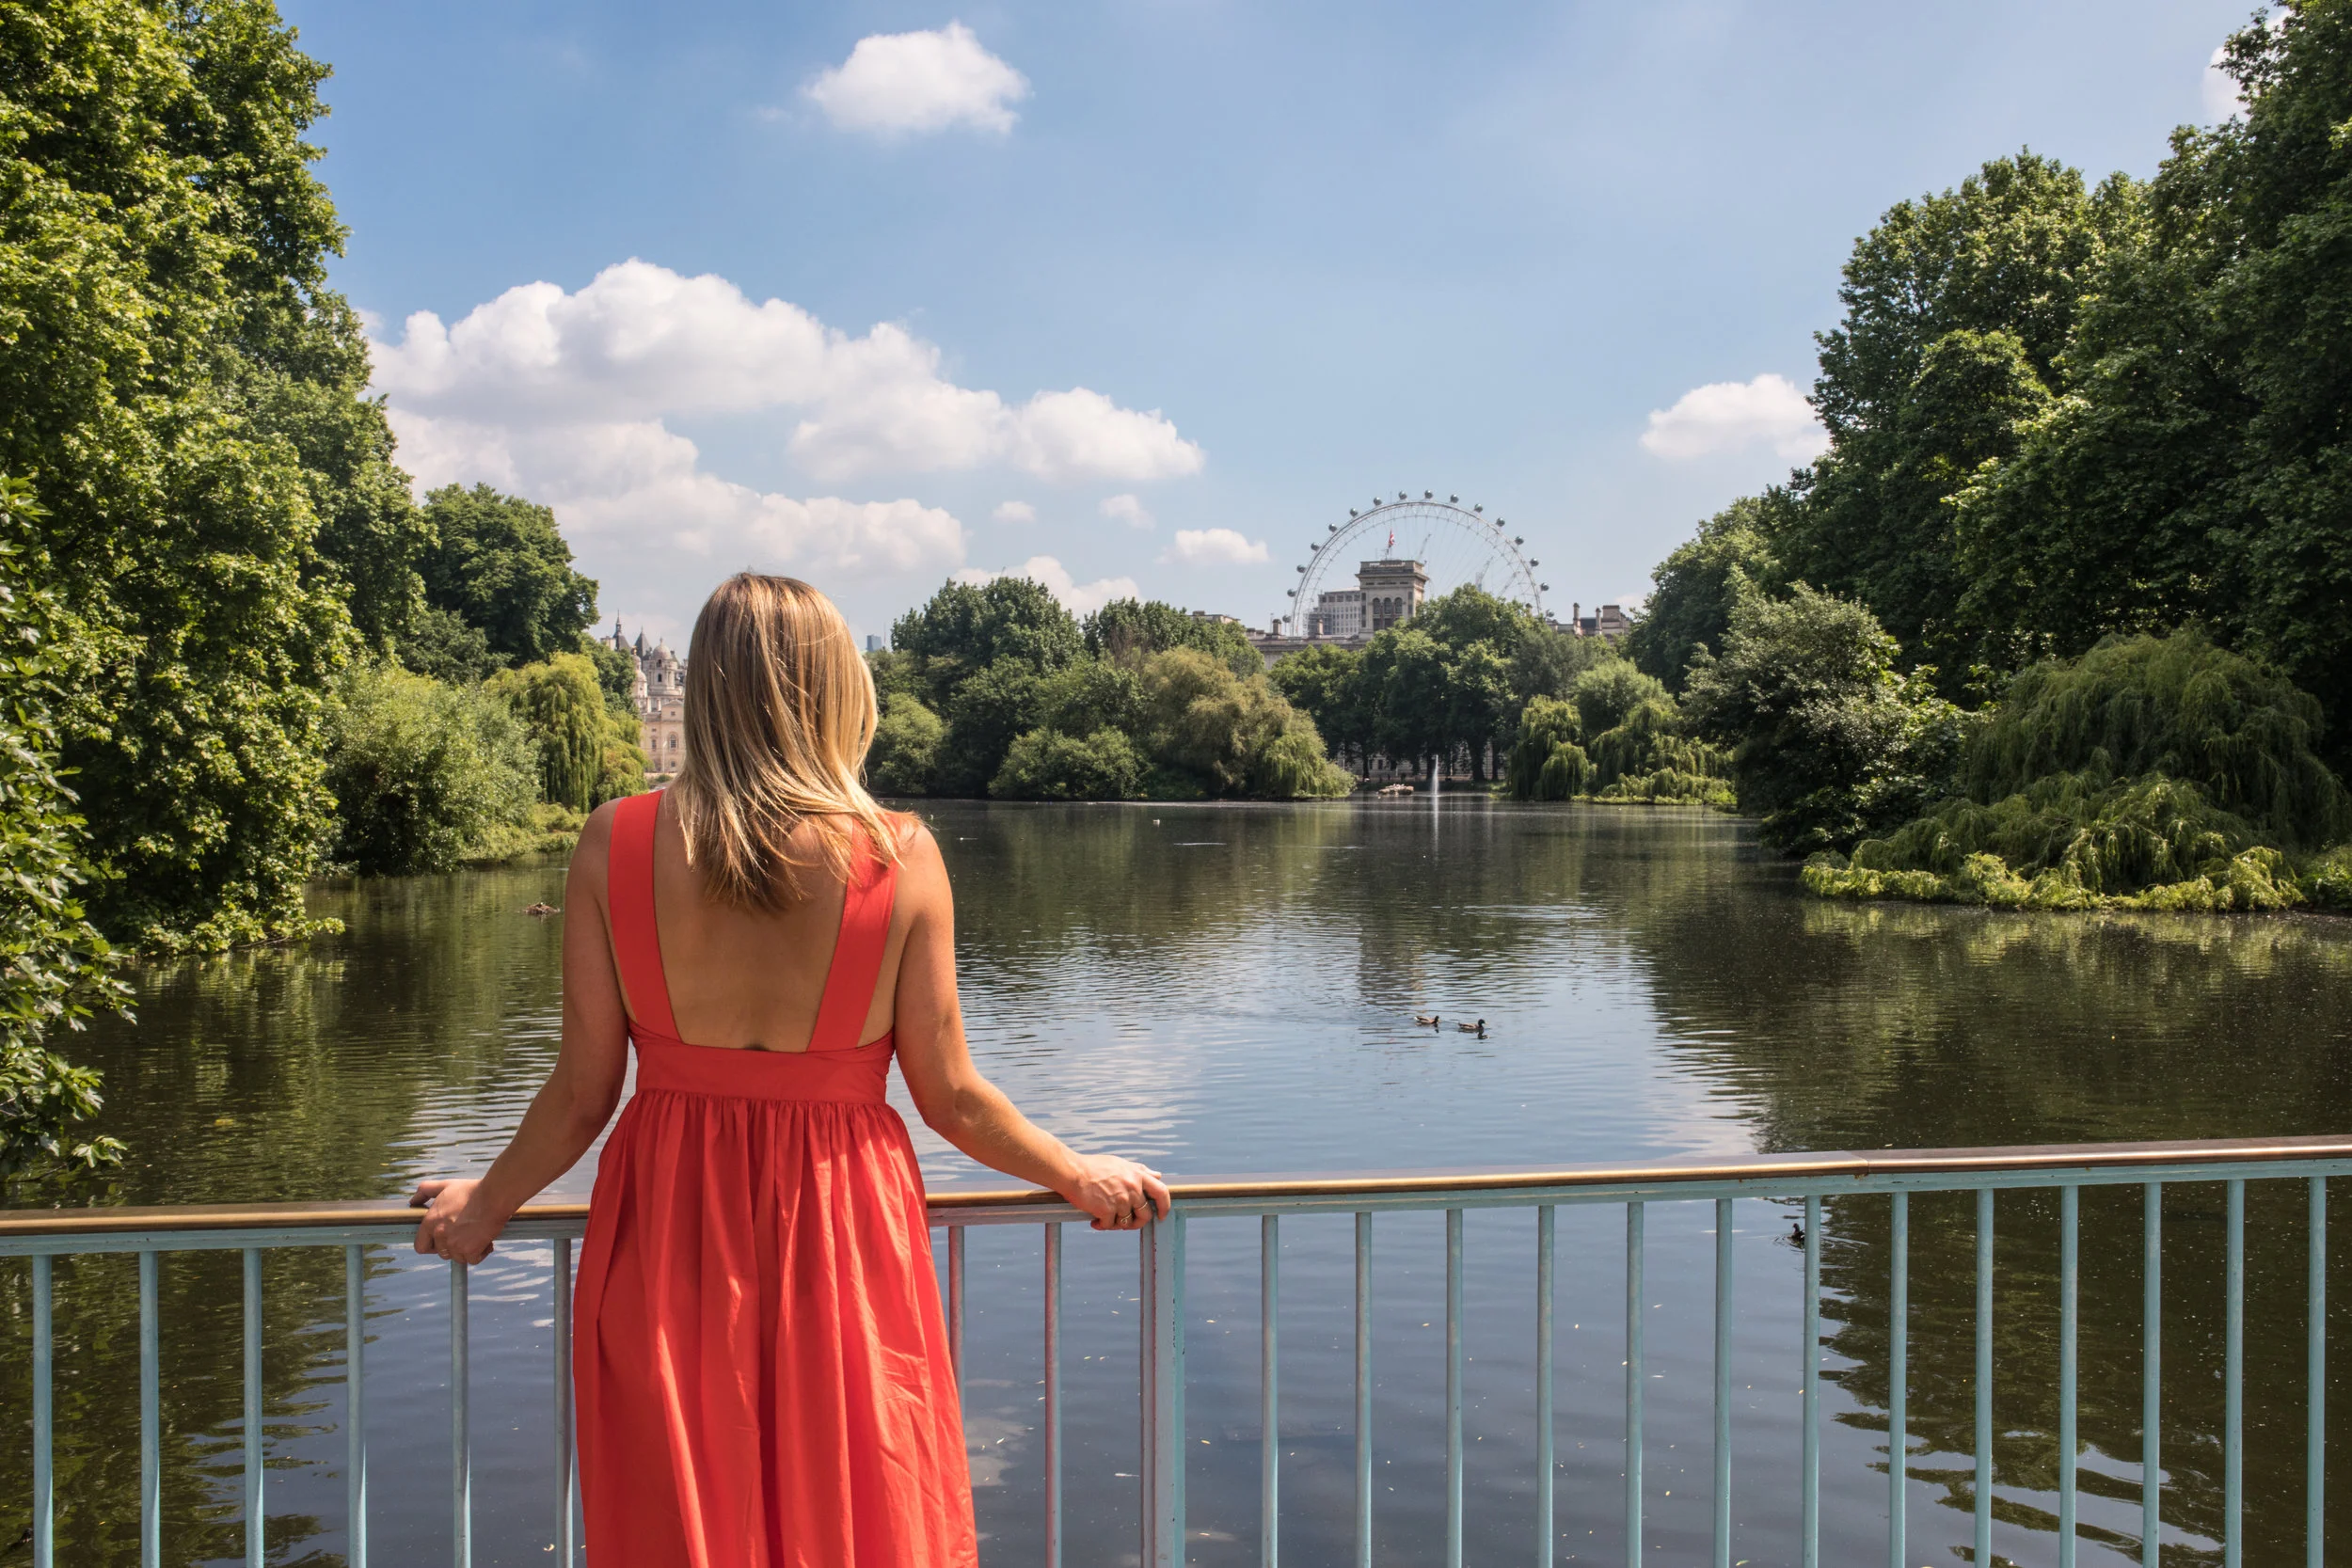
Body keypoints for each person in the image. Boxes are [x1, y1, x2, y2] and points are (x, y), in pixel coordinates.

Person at [410, 573, 1170, 1568]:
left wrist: (484, 1206)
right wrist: (1073, 1170)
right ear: (837, 689)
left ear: (712, 692)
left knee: (681, 1519)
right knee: (857, 1507)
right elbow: (952, 1097)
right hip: (841, 1226)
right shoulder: (899, 854)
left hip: (669, 1224)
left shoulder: (615, 841)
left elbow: (580, 1092)